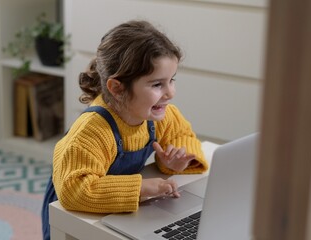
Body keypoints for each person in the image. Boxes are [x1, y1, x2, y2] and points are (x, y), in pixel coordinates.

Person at [41, 20, 209, 240]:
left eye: (172, 80)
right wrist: (141, 189)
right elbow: (75, 191)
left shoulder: (160, 115)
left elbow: (183, 135)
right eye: (157, 84)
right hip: (75, 215)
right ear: (117, 88)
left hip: (119, 208)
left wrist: (175, 161)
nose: (170, 93)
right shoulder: (91, 132)